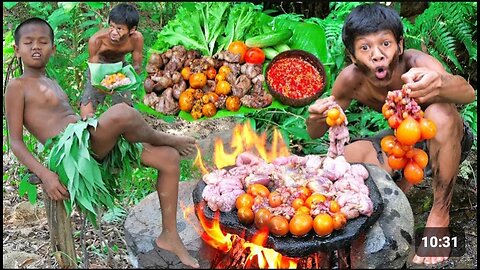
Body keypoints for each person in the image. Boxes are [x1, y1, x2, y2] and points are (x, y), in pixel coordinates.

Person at [5, 17, 200, 268]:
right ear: (16, 49)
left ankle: (169, 236)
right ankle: (168, 138)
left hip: (86, 140)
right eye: (28, 42)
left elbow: (69, 117)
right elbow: (15, 141)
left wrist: (96, 118)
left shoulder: (50, 82)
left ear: (53, 49)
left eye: (43, 42)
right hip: (72, 156)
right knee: (122, 112)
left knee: (168, 159)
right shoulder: (16, 85)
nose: (36, 47)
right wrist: (46, 175)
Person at [306, 3, 475, 266]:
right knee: (347, 157)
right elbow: (316, 130)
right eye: (365, 48)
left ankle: (439, 215)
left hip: (446, 139)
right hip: (402, 147)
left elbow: (468, 92)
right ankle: (396, 191)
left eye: (385, 44)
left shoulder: (417, 63)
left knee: (440, 113)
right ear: (352, 56)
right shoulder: (351, 80)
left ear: (400, 45)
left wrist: (440, 83)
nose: (377, 55)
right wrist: (315, 116)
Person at [80, 3, 144, 120]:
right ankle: (87, 129)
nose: (113, 32)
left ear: (132, 30)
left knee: (125, 110)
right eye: (111, 27)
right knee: (87, 106)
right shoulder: (97, 40)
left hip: (120, 68)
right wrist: (102, 86)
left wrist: (126, 80)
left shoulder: (136, 39)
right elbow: (94, 71)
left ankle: (121, 131)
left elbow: (137, 66)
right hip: (99, 67)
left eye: (119, 29)